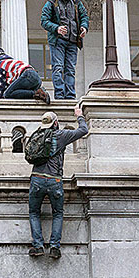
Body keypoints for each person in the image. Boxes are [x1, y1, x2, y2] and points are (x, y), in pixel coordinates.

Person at [28, 108, 88, 259]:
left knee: (34, 212)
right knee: (58, 213)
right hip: (54, 179)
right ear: (56, 123)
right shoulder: (62, 135)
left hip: (37, 178)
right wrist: (79, 116)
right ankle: (54, 247)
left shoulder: (37, 135)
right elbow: (83, 130)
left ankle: (38, 245)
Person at [40, 0, 89, 100]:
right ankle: (60, 95)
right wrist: (56, 28)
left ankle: (70, 96)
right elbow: (44, 21)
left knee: (70, 69)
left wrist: (84, 27)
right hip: (58, 41)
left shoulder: (76, 2)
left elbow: (84, 16)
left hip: (73, 40)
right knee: (58, 67)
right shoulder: (51, 3)